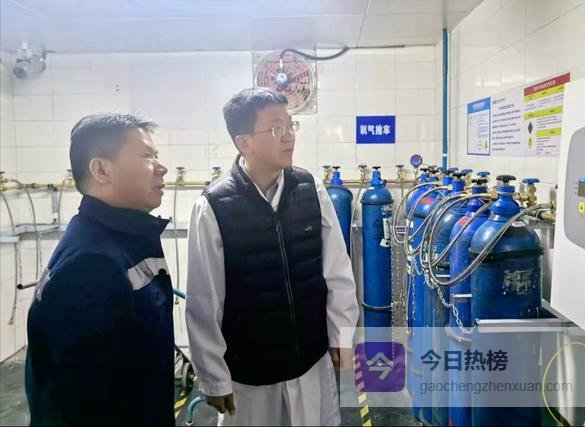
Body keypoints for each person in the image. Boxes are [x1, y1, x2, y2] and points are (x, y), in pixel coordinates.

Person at [186, 88, 359, 426]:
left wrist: (342, 334)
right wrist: (213, 376)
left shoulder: (310, 190)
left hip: (310, 364)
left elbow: (337, 271)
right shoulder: (214, 207)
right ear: (244, 142)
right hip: (250, 376)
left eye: (291, 125)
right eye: (277, 128)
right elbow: (204, 301)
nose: (289, 136)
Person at [25, 113, 175, 426]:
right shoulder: (91, 264)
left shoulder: (125, 238)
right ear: (102, 169)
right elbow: (78, 404)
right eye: (147, 156)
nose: (161, 167)